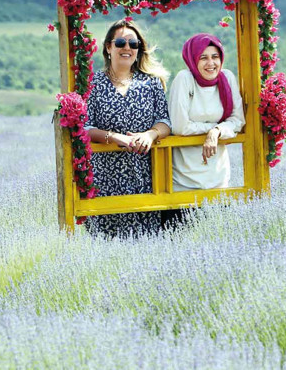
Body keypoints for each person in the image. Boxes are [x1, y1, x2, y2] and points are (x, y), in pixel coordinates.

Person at [84, 19, 172, 238]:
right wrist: (112, 137)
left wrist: (150, 134)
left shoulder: (151, 83)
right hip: (106, 178)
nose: (127, 48)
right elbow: (85, 127)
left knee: (147, 241)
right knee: (105, 241)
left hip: (145, 176)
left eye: (133, 44)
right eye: (121, 42)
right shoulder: (92, 84)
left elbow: (165, 121)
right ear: (108, 47)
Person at [166, 33, 245, 226]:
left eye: (215, 57)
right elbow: (180, 126)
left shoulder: (226, 78)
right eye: (203, 57)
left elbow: (237, 120)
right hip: (184, 180)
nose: (211, 63)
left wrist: (216, 132)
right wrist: (214, 128)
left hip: (218, 178)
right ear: (192, 59)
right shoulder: (184, 79)